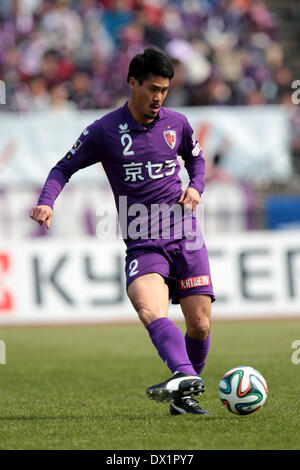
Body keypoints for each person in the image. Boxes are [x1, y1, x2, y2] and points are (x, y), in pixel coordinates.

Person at [30, 47, 215, 416]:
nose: (158, 98)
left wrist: (196, 186)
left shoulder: (176, 123)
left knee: (200, 323)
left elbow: (196, 158)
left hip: (185, 233)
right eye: (152, 89)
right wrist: (47, 200)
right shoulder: (104, 130)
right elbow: (62, 168)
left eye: (165, 90)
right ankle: (183, 376)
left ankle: (183, 395)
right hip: (142, 237)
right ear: (133, 83)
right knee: (149, 307)